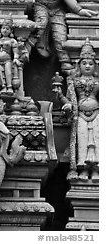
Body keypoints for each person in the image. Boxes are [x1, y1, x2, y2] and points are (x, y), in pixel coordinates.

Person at [54, 39, 99, 181]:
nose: (87, 66)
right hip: (79, 115)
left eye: (91, 63)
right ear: (78, 65)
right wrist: (61, 97)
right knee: (83, 141)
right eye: (84, 63)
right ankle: (83, 169)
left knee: (97, 142)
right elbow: (70, 100)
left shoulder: (100, 81)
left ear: (95, 66)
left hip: (97, 114)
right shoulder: (74, 82)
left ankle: (97, 169)